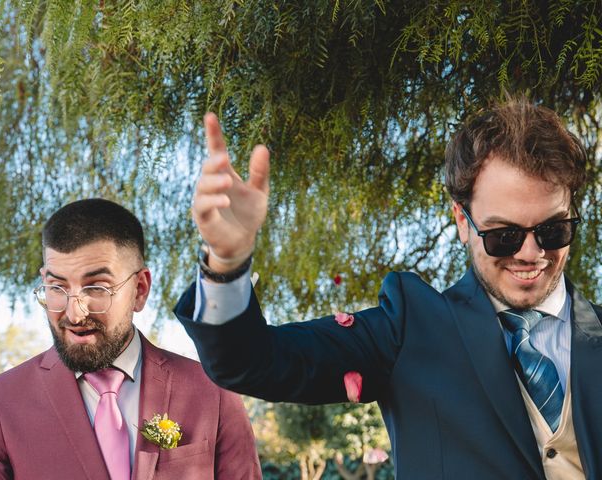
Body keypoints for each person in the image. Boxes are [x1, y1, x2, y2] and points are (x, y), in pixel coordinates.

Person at [174, 98, 602, 479]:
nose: (531, 253)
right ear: (461, 220)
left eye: (553, 229)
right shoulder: (408, 330)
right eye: (503, 235)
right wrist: (227, 263)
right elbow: (251, 362)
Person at [0, 199, 261, 480]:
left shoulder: (214, 393)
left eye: (97, 288)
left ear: (140, 289)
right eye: (56, 287)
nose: (74, 314)